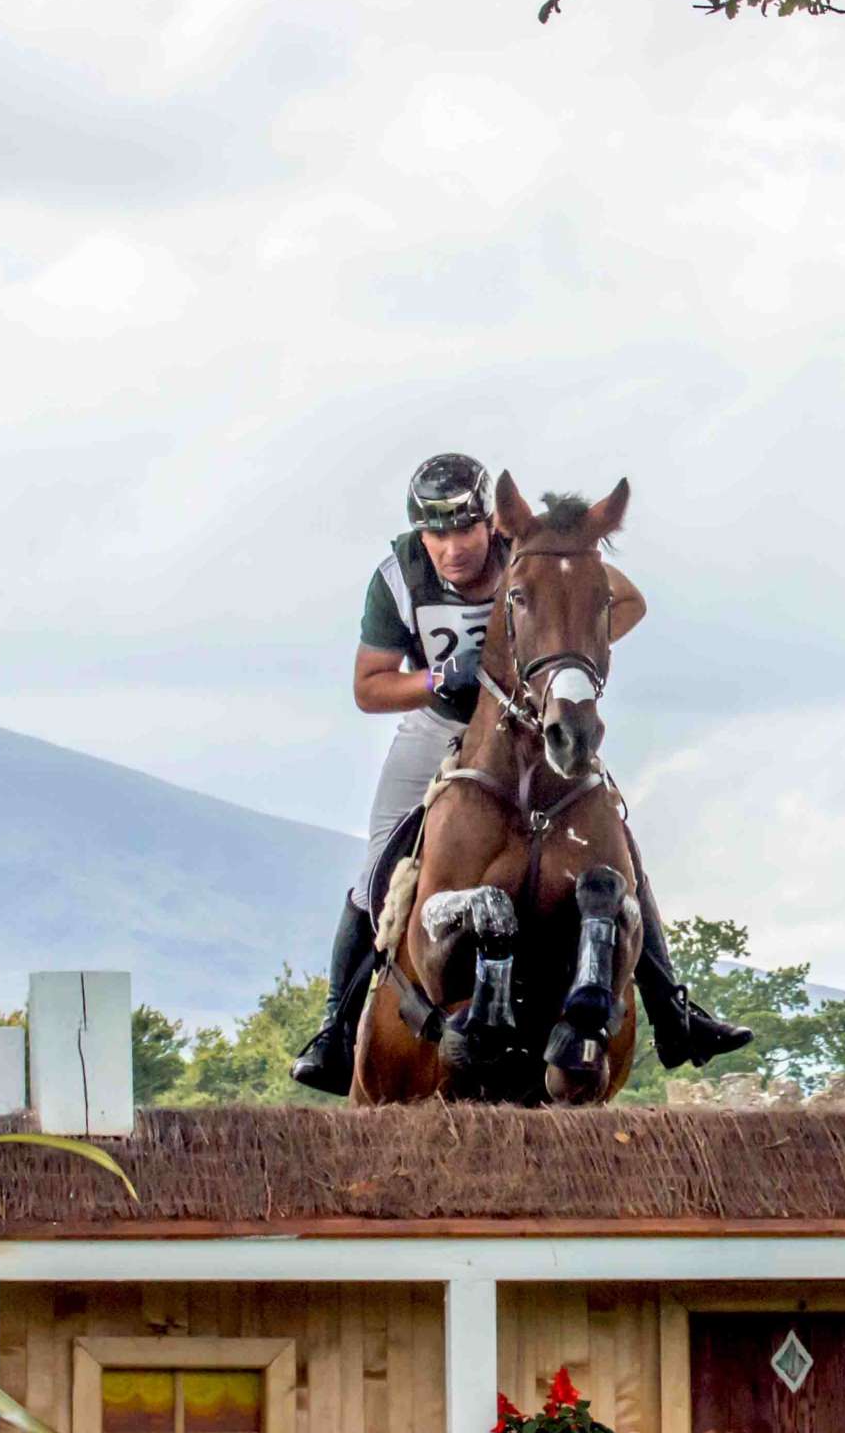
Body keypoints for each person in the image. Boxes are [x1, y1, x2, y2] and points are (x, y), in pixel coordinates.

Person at [289, 452, 752, 1094]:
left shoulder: (530, 548)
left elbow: (626, 602)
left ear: (491, 524)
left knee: (618, 846)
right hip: (440, 726)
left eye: (464, 531)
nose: (451, 548)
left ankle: (676, 1012)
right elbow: (368, 688)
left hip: (530, 721)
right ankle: (336, 1028)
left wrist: (567, 654)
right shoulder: (398, 577)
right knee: (378, 865)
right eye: (436, 534)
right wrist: (429, 678)